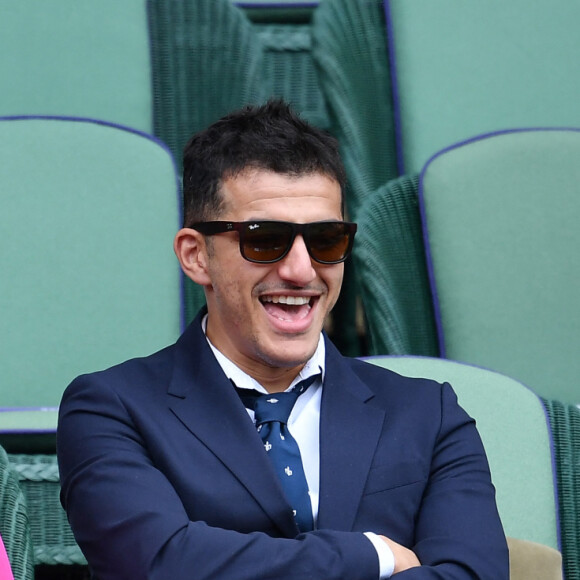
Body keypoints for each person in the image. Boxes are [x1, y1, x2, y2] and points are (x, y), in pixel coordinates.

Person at [57, 100, 508, 579]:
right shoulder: (111, 407)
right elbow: (162, 564)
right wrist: (372, 555)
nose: (300, 270)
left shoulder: (428, 413)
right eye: (265, 239)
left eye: (326, 240)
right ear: (196, 256)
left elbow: (471, 574)